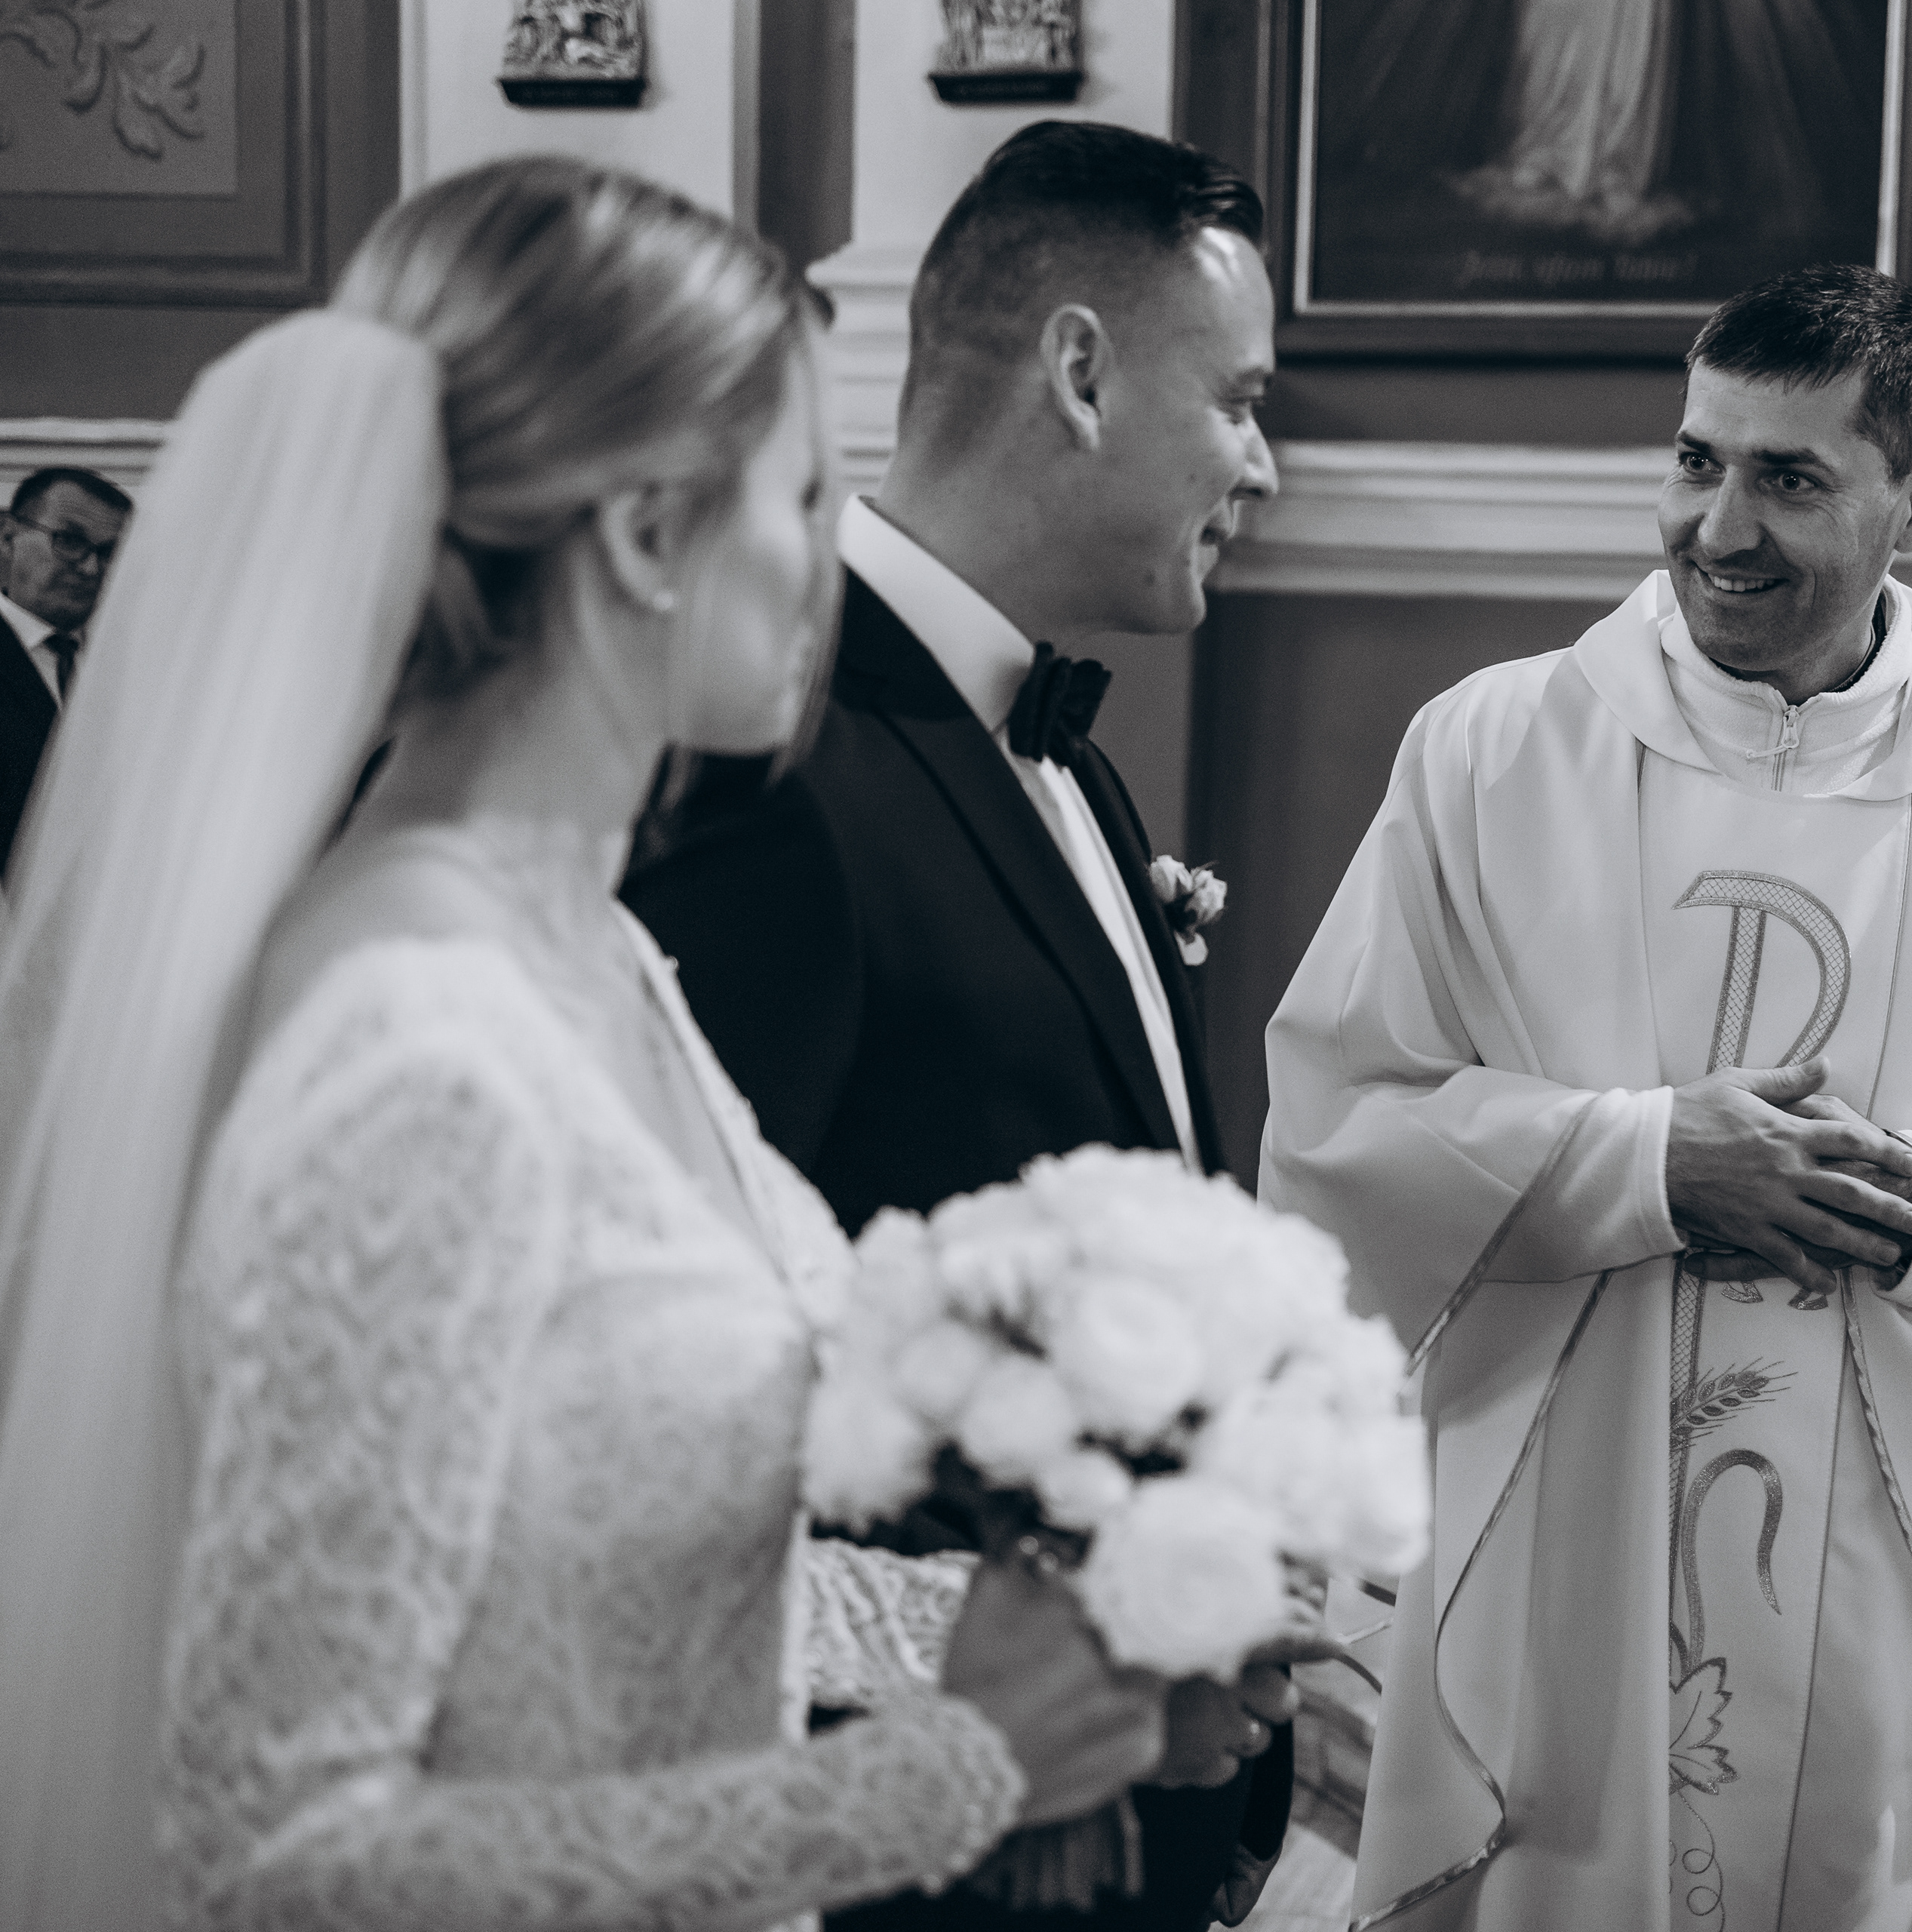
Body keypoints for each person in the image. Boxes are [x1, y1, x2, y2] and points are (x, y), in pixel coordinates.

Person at [0, 157, 1171, 1932]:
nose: (826, 551)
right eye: (802, 489)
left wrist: (1073, 1647)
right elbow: (278, 1849)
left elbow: (622, 1569)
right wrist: (951, 1770)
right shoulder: (413, 1048)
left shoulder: (595, 944)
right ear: (641, 535)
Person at [1262, 264, 1912, 1932]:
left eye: (1789, 478)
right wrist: (1645, 1160)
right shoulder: (1492, 752)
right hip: (1574, 1535)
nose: (1717, 527)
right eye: (1697, 460)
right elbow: (1342, 1116)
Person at [623, 121, 1299, 1932]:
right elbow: (687, 1406)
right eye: (1238, 400)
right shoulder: (779, 769)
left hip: (1128, 1798)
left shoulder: (1063, 751)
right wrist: (1066, 1662)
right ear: (1079, 372)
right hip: (916, 1847)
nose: (1262, 462)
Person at [0, 465, 131, 874]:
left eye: (108, 553)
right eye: (70, 541)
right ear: (7, 537)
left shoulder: (128, 667)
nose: (91, 568)